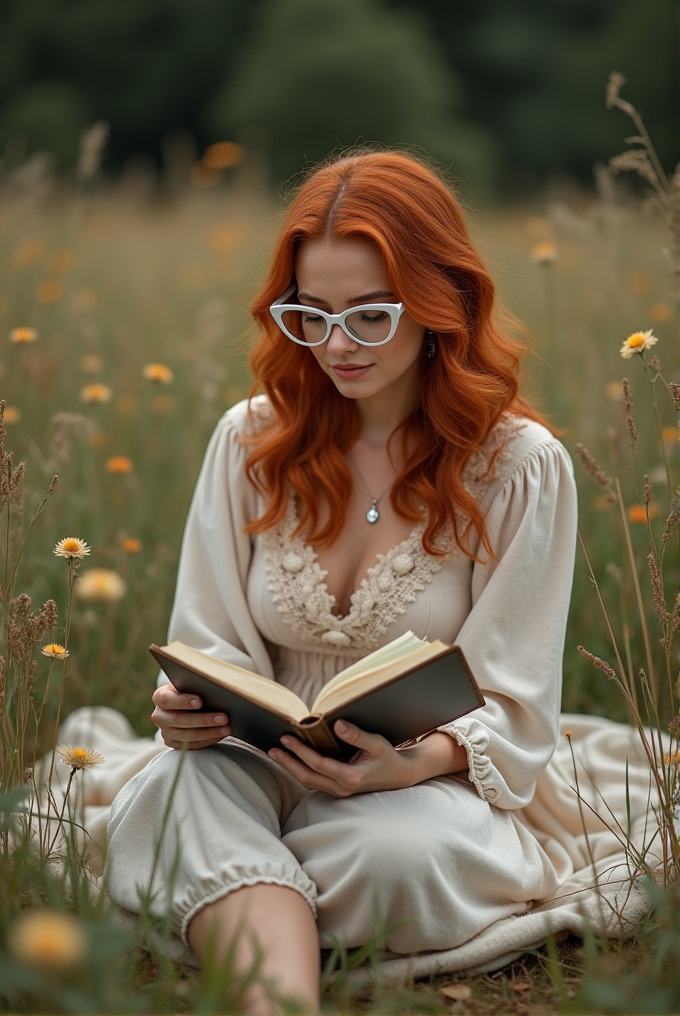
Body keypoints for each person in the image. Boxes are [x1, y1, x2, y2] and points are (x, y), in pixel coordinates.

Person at [104, 150, 578, 1014]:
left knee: (395, 860)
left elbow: (514, 701)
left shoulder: (517, 467)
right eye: (308, 316)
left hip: (423, 784)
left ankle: (237, 897)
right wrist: (184, 707)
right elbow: (206, 639)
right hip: (248, 760)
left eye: (369, 316)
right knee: (176, 789)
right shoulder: (250, 441)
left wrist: (405, 765)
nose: (335, 347)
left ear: (444, 304)